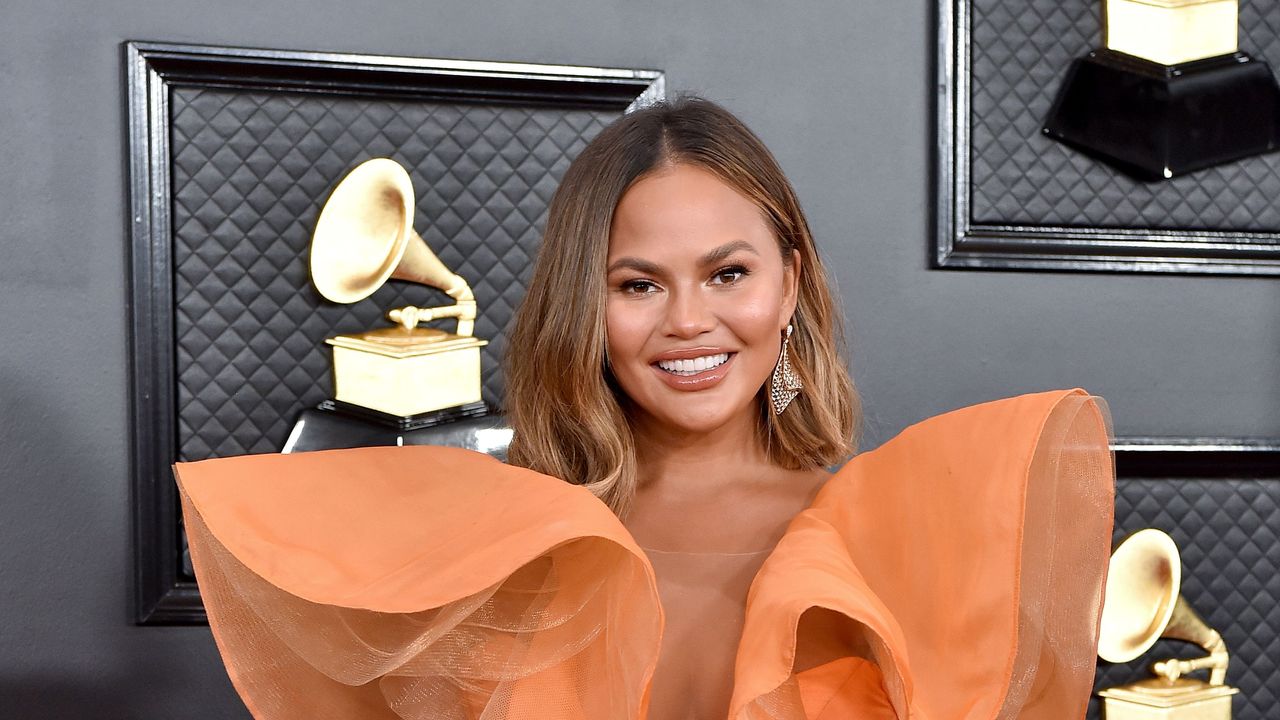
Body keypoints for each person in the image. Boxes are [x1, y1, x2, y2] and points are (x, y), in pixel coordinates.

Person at [174, 98, 1115, 720]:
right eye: (637, 285)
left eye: (728, 273)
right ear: (587, 306)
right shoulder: (504, 552)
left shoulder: (901, 544)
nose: (689, 321)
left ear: (790, 286)